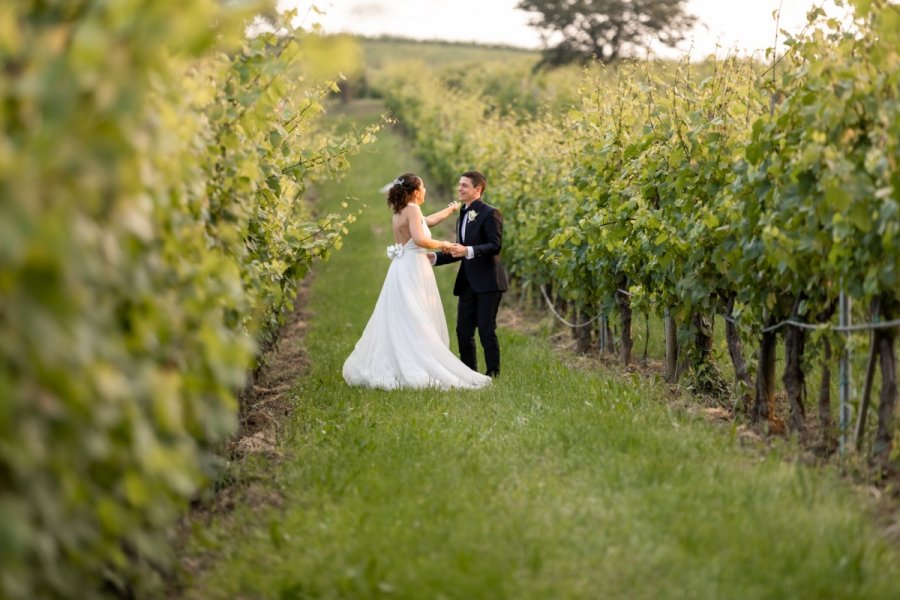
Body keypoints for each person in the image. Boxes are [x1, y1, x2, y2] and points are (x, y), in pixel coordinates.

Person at [342, 173, 491, 390]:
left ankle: (402, 355)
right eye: (423, 187)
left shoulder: (401, 210)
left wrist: (448, 211)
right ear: (415, 192)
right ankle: (419, 359)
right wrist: (444, 244)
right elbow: (421, 239)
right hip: (413, 267)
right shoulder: (413, 209)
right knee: (416, 314)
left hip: (402, 268)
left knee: (405, 314)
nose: (426, 190)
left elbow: (425, 222)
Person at [433, 171, 508, 377]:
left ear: (478, 189)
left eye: (465, 185)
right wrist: (434, 258)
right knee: (463, 332)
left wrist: (468, 251)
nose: (460, 188)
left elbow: (495, 246)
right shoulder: (463, 215)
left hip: (489, 282)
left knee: (486, 330)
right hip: (467, 282)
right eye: (459, 185)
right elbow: (460, 250)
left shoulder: (490, 213)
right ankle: (469, 374)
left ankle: (493, 374)